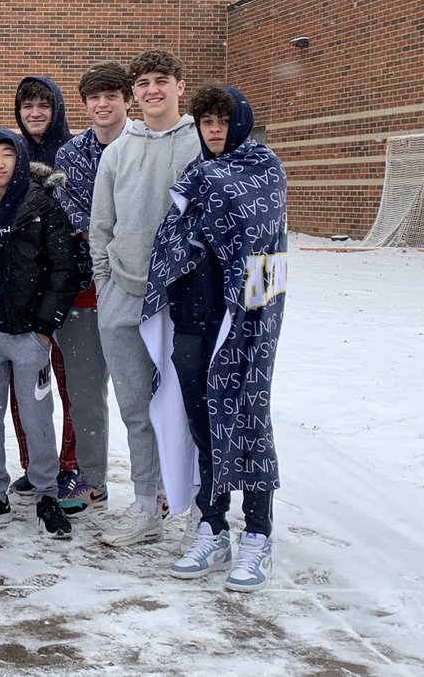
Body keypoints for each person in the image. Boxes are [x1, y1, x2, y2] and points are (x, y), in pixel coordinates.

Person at [141, 86, 286, 592]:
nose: (215, 130)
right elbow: (171, 236)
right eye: (206, 122)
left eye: (223, 120)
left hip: (243, 325)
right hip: (191, 322)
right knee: (202, 424)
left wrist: (258, 322)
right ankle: (213, 524)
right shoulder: (195, 175)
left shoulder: (265, 172)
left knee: (249, 419)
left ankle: (259, 530)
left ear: (240, 121)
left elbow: (267, 255)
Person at [89, 50, 200, 547]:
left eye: (162, 81)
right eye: (143, 83)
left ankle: (200, 507)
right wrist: (108, 283)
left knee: (187, 406)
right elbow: (101, 228)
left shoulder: (202, 144)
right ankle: (144, 505)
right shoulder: (118, 152)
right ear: (133, 93)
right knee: (135, 406)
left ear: (181, 85)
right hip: (124, 296)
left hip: (183, 301)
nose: (152, 90)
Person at [0, 130, 80, 537]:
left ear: (20, 160)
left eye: (6, 155)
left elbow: (64, 269)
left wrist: (44, 328)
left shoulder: (42, 206)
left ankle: (46, 497)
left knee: (37, 417)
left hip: (29, 336)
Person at [51, 62, 134, 515]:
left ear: (127, 100)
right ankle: (91, 478)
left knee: (142, 394)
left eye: (111, 96)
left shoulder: (144, 146)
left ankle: (156, 484)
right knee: (83, 392)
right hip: (84, 291)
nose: (102, 105)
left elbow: (149, 212)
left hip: (139, 289)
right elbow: (71, 213)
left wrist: (116, 236)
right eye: (94, 98)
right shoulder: (70, 154)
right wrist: (110, 233)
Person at [12, 75, 79, 498]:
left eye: (43, 105)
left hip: (70, 286)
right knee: (24, 385)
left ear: (56, 108)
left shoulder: (73, 154)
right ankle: (34, 464)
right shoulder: (9, 156)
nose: (35, 113)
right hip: (20, 291)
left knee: (71, 383)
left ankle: (71, 464)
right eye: (26, 106)